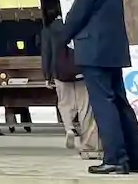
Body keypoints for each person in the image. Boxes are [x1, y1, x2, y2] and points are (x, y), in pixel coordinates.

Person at [53, 0, 138, 175]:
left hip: (93, 50)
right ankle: (135, 159)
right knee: (120, 102)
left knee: (103, 104)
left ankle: (115, 158)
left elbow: (78, 14)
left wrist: (61, 38)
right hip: (112, 50)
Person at [41, 8, 99, 159]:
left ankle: (69, 128)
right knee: (85, 108)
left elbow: (46, 54)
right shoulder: (80, 24)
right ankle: (89, 146)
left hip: (60, 73)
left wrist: (47, 76)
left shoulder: (49, 30)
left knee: (65, 103)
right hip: (81, 70)